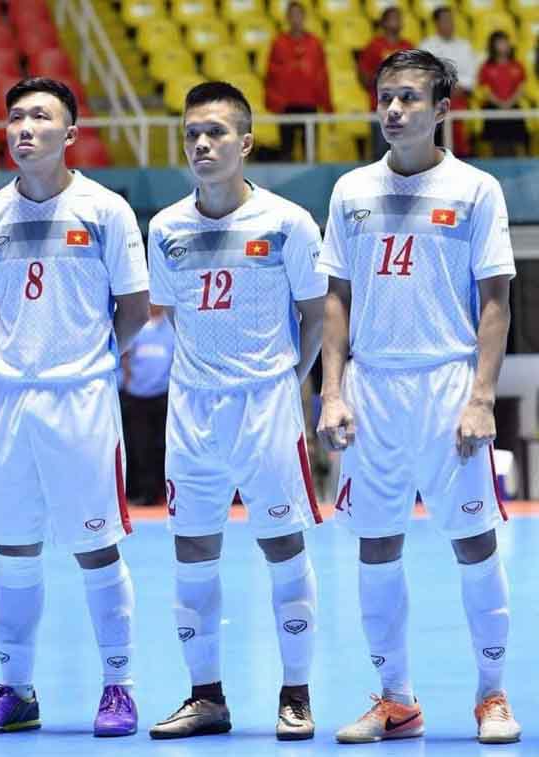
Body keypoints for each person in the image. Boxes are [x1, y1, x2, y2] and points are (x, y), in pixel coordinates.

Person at [316, 50, 521, 745]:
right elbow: (336, 298)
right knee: (376, 545)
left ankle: (491, 695)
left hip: (447, 385)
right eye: (386, 97)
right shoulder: (350, 190)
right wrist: (332, 392)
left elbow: (495, 301)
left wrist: (482, 396)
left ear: (442, 109)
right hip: (372, 390)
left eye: (409, 97)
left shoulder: (475, 189)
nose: (395, 109)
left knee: (474, 543)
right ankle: (396, 701)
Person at [0, 77, 150, 738]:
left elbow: (134, 309)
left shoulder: (104, 210)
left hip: (82, 400)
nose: (24, 128)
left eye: (40, 116)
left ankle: (119, 686)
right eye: (15, 117)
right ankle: (16, 691)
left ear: (70, 133)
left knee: (96, 546)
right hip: (10, 401)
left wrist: (85, 358)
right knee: (14, 548)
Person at [147, 81, 328, 741]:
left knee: (283, 546)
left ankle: (296, 694)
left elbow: (316, 316)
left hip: (266, 406)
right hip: (192, 411)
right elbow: (171, 314)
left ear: (246, 143)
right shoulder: (165, 228)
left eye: (216, 132)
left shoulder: (288, 222)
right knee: (193, 550)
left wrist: (285, 382)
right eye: (193, 133)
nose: (202, 144)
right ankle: (206, 697)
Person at [265, 0, 333, 161]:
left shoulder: (315, 43)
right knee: (286, 152)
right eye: (292, 15)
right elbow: (271, 74)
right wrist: (274, 102)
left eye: (298, 14)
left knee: (310, 152)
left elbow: (322, 74)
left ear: (304, 17)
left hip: (309, 103)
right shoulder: (278, 43)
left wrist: (327, 104)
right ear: (287, 18)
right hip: (286, 104)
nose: (295, 18)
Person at [121, 303, 174, 505]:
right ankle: (146, 492)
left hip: (163, 394)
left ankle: (166, 491)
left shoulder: (171, 326)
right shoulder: (138, 326)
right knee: (141, 447)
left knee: (166, 446)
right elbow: (124, 355)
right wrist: (127, 379)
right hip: (138, 395)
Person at [420, 6, 476, 156]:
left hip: (461, 95)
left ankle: (463, 156)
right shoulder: (427, 46)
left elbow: (471, 73)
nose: (449, 24)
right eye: (445, 20)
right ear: (436, 23)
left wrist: (459, 87)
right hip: (436, 97)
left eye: (451, 20)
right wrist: (445, 88)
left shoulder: (464, 46)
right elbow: (425, 74)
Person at [358, 7, 413, 159]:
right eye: (393, 18)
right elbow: (363, 76)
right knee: (381, 155)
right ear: (383, 23)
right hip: (381, 109)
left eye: (399, 18)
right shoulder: (373, 46)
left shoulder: (408, 46)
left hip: (405, 110)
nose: (398, 21)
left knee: (405, 155)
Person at [479, 31, 528, 156]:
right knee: (497, 145)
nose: (504, 45)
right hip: (493, 108)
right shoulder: (486, 67)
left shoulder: (517, 65)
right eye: (500, 42)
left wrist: (510, 102)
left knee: (518, 143)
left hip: (513, 107)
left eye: (505, 42)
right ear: (493, 45)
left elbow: (521, 87)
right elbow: (484, 89)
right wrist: (499, 103)